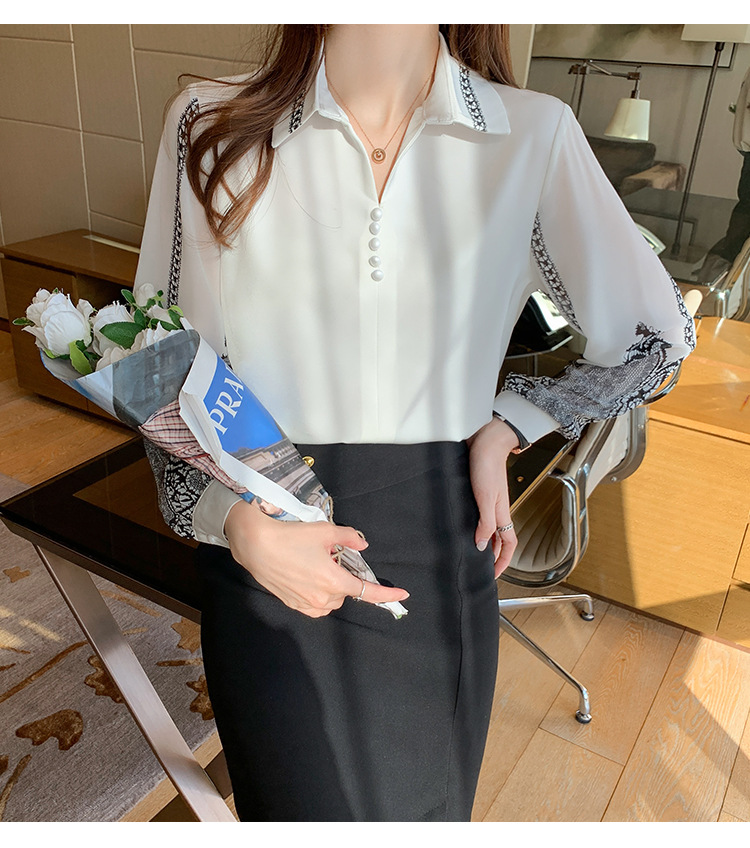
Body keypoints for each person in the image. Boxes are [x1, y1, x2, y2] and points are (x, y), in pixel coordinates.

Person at [134, 24, 696, 822]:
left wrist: (509, 424)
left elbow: (657, 339)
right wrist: (237, 523)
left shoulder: (530, 134)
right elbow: (158, 361)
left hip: (436, 544)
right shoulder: (210, 124)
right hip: (267, 536)